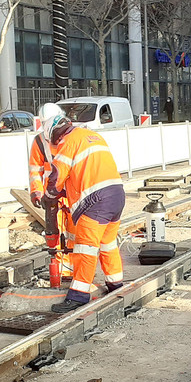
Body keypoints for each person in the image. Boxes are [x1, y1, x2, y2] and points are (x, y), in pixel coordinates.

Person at [43, 114, 126, 313]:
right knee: (108, 245)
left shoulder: (68, 142)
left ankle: (78, 296)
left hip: (96, 201)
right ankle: (115, 284)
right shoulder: (91, 136)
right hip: (116, 195)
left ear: (54, 135)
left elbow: (57, 175)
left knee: (85, 248)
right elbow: (86, 172)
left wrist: (48, 196)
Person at [30, 103, 74, 277]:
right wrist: (36, 192)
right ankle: (60, 268)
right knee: (53, 231)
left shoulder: (70, 137)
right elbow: (35, 169)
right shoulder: (40, 141)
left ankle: (75, 269)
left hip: (71, 191)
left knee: (74, 232)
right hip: (52, 193)